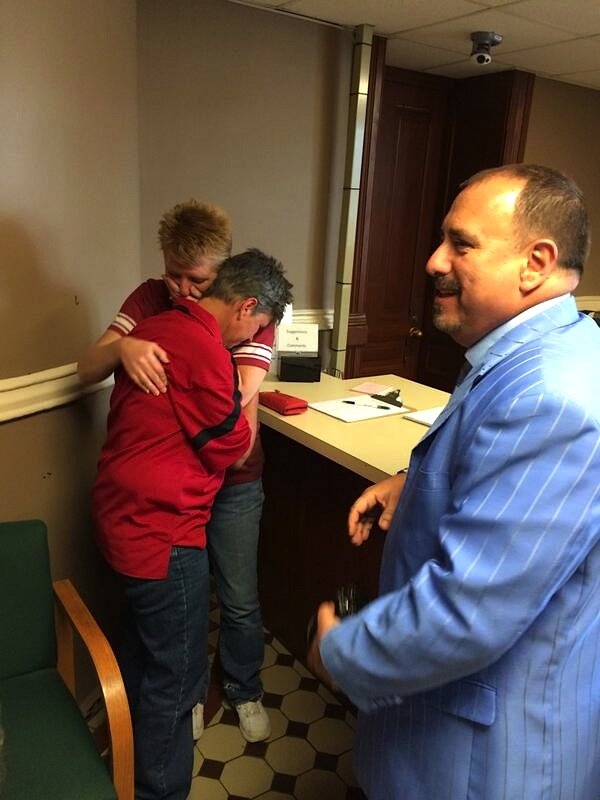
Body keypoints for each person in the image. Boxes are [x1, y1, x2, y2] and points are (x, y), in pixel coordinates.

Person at [308, 164, 600, 799]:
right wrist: (415, 482)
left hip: (483, 760)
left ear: (535, 263)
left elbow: (469, 611)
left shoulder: (553, 396)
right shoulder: (524, 352)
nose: (434, 260)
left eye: (461, 244)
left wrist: (341, 652)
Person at [92, 250, 292, 800]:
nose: (251, 338)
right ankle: (158, 790)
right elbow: (230, 445)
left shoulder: (158, 327)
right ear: (247, 305)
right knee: (177, 679)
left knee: (139, 648)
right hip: (162, 534)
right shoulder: (204, 348)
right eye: (256, 325)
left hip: (118, 517)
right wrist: (232, 403)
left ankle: (124, 767)